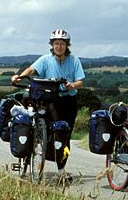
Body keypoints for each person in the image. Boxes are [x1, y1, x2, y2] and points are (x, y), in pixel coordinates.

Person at [11, 29, 85, 183]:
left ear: (67, 45)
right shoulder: (45, 59)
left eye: (62, 44)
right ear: (52, 45)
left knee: (64, 136)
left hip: (68, 101)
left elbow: (81, 81)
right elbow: (32, 69)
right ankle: (36, 153)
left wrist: (72, 86)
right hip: (50, 100)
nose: (59, 46)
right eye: (56, 43)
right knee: (43, 128)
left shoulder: (74, 60)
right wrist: (20, 76)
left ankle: (61, 170)